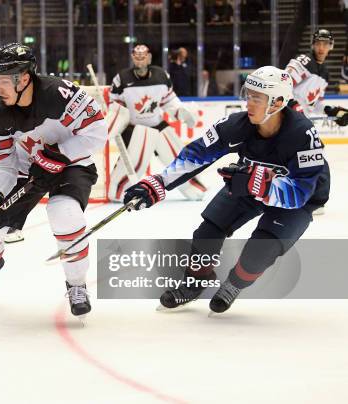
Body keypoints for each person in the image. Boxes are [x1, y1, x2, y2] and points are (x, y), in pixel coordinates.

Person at [123, 66, 330, 314]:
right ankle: (195, 282)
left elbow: (300, 193)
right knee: (208, 231)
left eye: (257, 97)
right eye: (248, 94)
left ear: (276, 103)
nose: (248, 103)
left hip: (298, 200)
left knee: (259, 252)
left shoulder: (302, 134)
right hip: (250, 181)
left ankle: (234, 284)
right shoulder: (237, 125)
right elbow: (196, 154)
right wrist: (158, 183)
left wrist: (261, 184)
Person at [0, 43, 108, 317]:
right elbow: (2, 161)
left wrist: (60, 154)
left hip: (71, 165)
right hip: (29, 168)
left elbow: (96, 131)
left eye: (1, 80)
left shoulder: (60, 93)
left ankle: (76, 284)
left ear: (23, 78)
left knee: (64, 214)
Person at [106, 43, 206, 202]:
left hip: (158, 125)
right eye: (137, 56)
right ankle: (118, 191)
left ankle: (193, 187)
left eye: (143, 56)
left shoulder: (161, 75)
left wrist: (181, 111)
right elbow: (116, 107)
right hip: (135, 128)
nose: (140, 60)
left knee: (178, 157)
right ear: (132, 57)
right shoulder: (121, 78)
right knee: (134, 163)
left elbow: (169, 101)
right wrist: (113, 123)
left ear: (149, 57)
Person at [285, 28, 340, 215]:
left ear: (331, 46)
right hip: (287, 117)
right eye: (319, 43)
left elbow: (314, 101)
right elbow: (283, 83)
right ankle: (314, 199)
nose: (322, 47)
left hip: (299, 121)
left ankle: (307, 196)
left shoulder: (324, 72)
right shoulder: (304, 61)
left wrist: (329, 110)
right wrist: (293, 106)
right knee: (314, 154)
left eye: (326, 43)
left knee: (310, 155)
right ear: (313, 44)